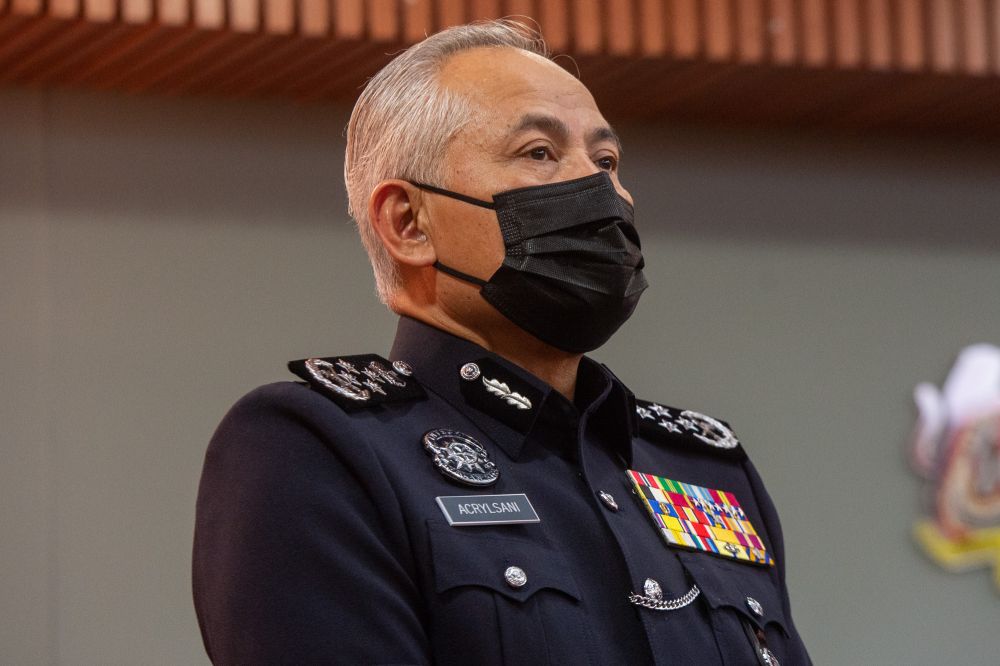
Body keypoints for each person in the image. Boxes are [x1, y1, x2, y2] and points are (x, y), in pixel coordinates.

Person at [192, 19, 811, 666]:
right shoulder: (320, 451)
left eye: (607, 161)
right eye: (539, 152)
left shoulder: (700, 469)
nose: (601, 189)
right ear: (408, 222)